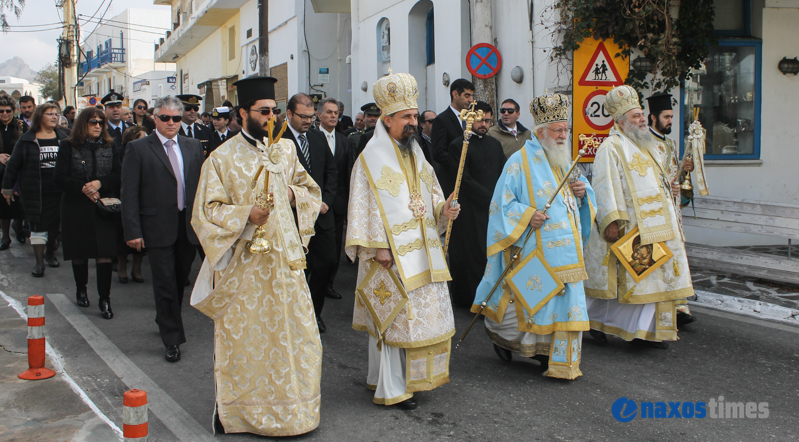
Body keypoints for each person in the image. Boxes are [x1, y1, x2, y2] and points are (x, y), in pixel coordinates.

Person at [190, 76, 322, 436]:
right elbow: (205, 212)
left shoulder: (286, 150)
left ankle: (296, 412)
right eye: (264, 111)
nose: (271, 117)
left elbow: (309, 188)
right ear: (242, 113)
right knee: (247, 341)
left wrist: (296, 198)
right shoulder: (222, 158)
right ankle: (238, 413)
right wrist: (244, 214)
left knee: (297, 336)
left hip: (285, 263)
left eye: (275, 111)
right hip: (244, 266)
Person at [346, 71, 460, 410]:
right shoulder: (371, 157)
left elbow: (430, 195)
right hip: (389, 255)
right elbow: (362, 206)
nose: (413, 122)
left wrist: (445, 208)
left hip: (423, 254)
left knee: (414, 321)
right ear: (387, 118)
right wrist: (378, 246)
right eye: (406, 117)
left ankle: (404, 379)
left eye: (414, 116)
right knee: (393, 320)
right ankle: (393, 388)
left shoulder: (416, 153)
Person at [474, 93, 596, 379]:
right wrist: (528, 215)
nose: (564, 135)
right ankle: (502, 337)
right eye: (558, 130)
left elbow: (581, 199)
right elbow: (501, 204)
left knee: (565, 301)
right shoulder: (519, 162)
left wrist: (582, 194)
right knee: (534, 303)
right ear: (541, 132)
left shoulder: (566, 161)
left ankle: (555, 357)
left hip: (567, 252)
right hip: (535, 248)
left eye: (566, 129)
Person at [584, 85, 692, 350]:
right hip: (630, 228)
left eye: (642, 114)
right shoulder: (611, 147)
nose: (642, 119)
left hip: (656, 226)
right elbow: (604, 185)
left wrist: (672, 186)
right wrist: (611, 221)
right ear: (622, 121)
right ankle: (594, 320)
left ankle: (645, 331)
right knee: (628, 283)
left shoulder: (647, 145)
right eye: (635, 116)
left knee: (652, 280)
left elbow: (656, 180)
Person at [121, 96, 203, 362]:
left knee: (180, 279)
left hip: (186, 226)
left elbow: (201, 188)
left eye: (176, 118)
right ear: (154, 118)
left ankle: (166, 317)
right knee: (165, 282)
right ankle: (172, 338)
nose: (171, 123)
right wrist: (133, 231)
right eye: (165, 118)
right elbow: (129, 192)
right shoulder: (139, 148)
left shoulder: (193, 147)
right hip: (155, 226)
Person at [54, 107, 120, 319]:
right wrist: (82, 187)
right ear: (83, 124)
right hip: (76, 207)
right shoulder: (67, 146)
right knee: (80, 254)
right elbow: (59, 178)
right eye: (93, 122)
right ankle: (81, 289)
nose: (98, 126)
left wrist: (100, 183)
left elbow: (119, 174)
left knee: (104, 255)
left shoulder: (110, 145)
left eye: (101, 122)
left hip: (104, 207)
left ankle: (105, 299)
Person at [282, 94, 337, 333]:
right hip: (293, 218)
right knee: (297, 270)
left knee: (327, 263)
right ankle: (297, 315)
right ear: (289, 114)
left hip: (322, 216)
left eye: (311, 117)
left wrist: (325, 200)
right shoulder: (278, 141)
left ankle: (314, 311)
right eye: (302, 117)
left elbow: (331, 171)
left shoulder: (316, 137)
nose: (307, 121)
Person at [446, 101, 506, 308]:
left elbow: (503, 173)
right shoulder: (458, 146)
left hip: (492, 209)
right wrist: (490, 198)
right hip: (469, 211)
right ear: (470, 118)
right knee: (470, 254)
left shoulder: (494, 144)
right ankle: (468, 300)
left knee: (488, 253)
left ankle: (488, 299)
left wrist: (501, 197)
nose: (484, 124)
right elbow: (464, 179)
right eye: (481, 119)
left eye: (488, 120)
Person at [646, 93, 697, 326]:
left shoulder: (670, 143)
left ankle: (679, 305)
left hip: (673, 209)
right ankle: (661, 307)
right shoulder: (643, 142)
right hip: (655, 210)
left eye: (672, 117)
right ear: (653, 117)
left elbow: (675, 176)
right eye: (666, 117)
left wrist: (685, 171)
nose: (670, 121)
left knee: (677, 254)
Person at [2, 103, 66, 276]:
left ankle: (50, 254)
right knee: (37, 226)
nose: (54, 116)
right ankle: (39, 263)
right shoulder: (27, 139)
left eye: (56, 113)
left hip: (59, 191)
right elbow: (13, 165)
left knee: (54, 226)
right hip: (34, 190)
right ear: (40, 116)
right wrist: (7, 188)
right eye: (49, 114)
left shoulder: (64, 137)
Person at [316, 98, 350, 300]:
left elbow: (347, 173)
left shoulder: (345, 141)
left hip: (337, 204)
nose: (333, 116)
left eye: (336, 112)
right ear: (319, 115)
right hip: (315, 203)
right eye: (329, 112)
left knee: (335, 248)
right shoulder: (310, 138)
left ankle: (329, 283)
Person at [432, 78, 475, 195]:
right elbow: (438, 153)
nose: (470, 100)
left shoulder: (472, 118)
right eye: (467, 96)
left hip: (471, 180)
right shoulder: (442, 120)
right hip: (451, 181)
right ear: (455, 94)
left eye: (471, 96)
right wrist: (461, 161)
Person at [117, 126, 148, 284]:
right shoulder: (124, 154)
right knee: (124, 237)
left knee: (141, 241)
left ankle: (137, 268)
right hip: (125, 200)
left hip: (144, 201)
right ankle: (121, 266)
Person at [0, 92, 25, 250]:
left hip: (19, 171)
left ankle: (19, 228)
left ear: (13, 110)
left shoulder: (22, 126)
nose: (4, 114)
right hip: (1, 173)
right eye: (1, 111)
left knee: (21, 205)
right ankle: (5, 236)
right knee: (3, 206)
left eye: (8, 111)